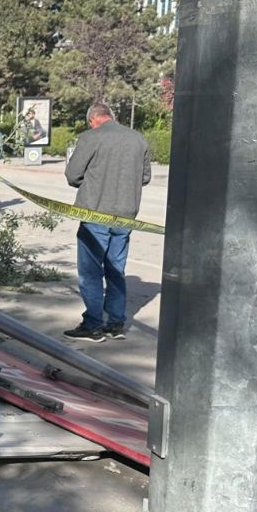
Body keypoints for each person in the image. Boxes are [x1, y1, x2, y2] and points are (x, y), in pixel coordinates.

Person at [61, 103, 151, 343]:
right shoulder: (138, 139)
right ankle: (115, 324)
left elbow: (72, 175)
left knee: (91, 271)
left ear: (93, 120)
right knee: (116, 269)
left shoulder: (91, 137)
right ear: (110, 116)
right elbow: (145, 177)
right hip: (125, 215)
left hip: (95, 213)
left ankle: (92, 324)